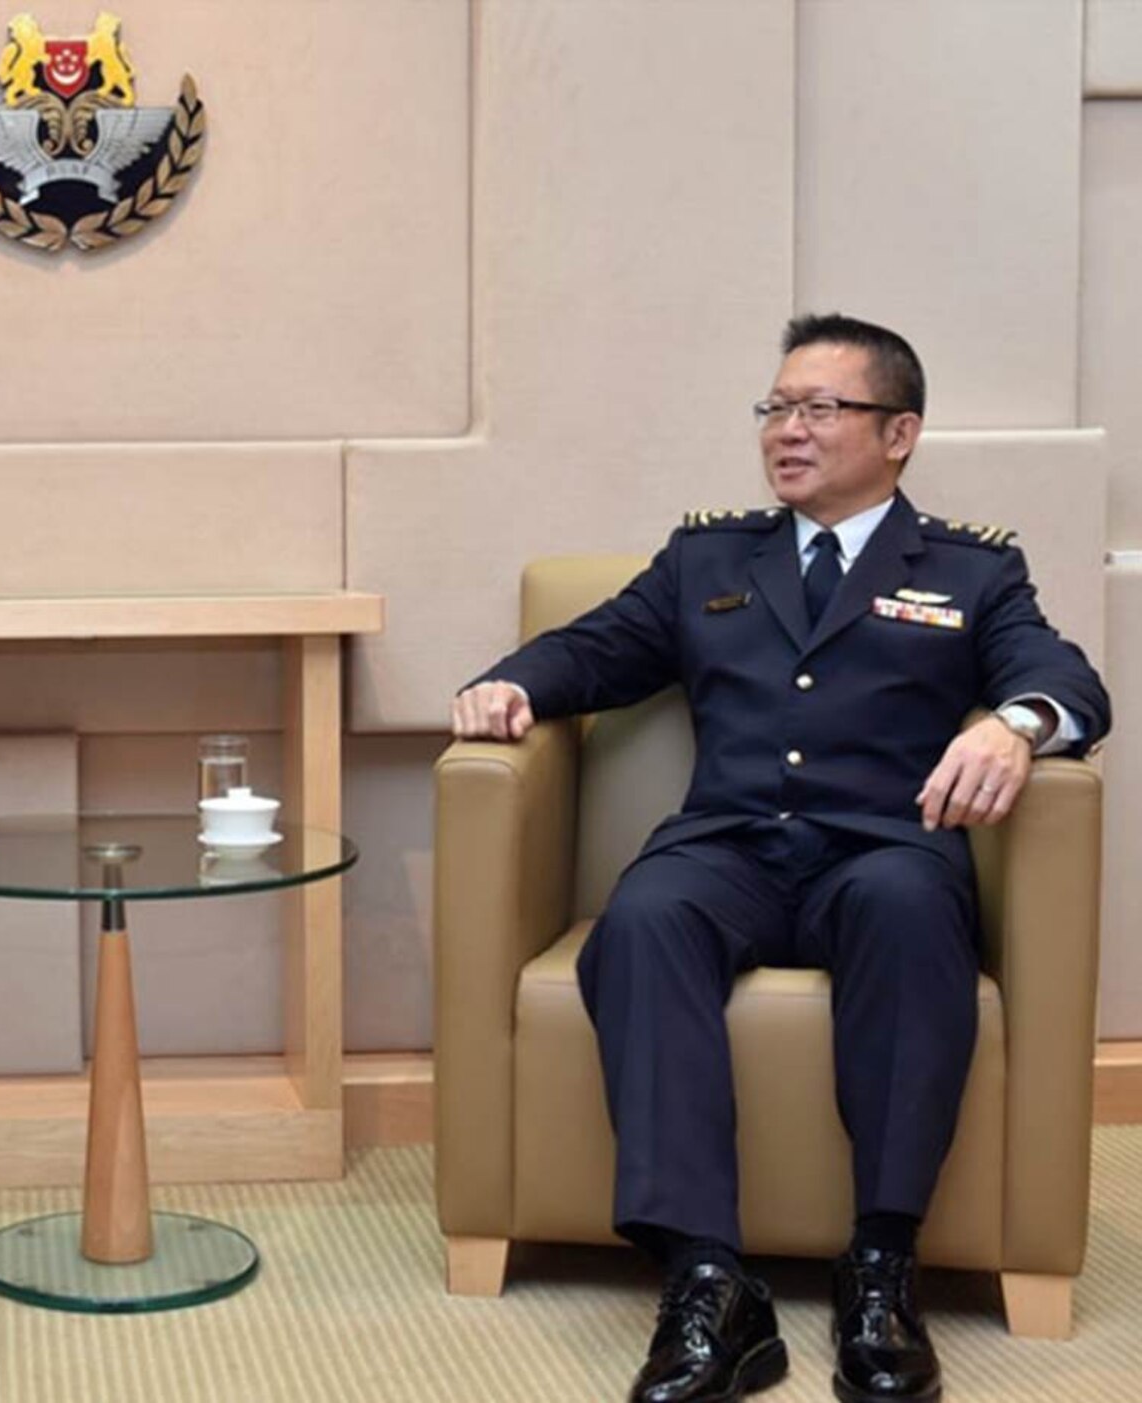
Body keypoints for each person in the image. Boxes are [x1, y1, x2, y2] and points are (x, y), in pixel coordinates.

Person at [451, 314, 1110, 1403]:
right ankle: (707, 1279)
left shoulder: (967, 568)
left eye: (817, 409)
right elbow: (595, 646)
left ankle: (879, 1267)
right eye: (774, 407)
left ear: (896, 432)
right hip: (729, 849)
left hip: (881, 850)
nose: (785, 431)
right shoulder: (709, 556)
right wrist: (514, 681)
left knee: (906, 908)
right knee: (645, 916)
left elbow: (1060, 674)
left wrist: (1014, 723)